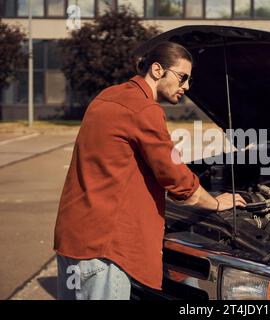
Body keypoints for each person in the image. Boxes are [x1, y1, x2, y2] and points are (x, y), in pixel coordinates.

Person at [54, 41, 246, 300]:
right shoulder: (144, 109)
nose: (187, 86)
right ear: (157, 70)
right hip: (106, 250)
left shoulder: (106, 97)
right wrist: (214, 203)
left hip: (73, 238)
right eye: (182, 77)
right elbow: (176, 178)